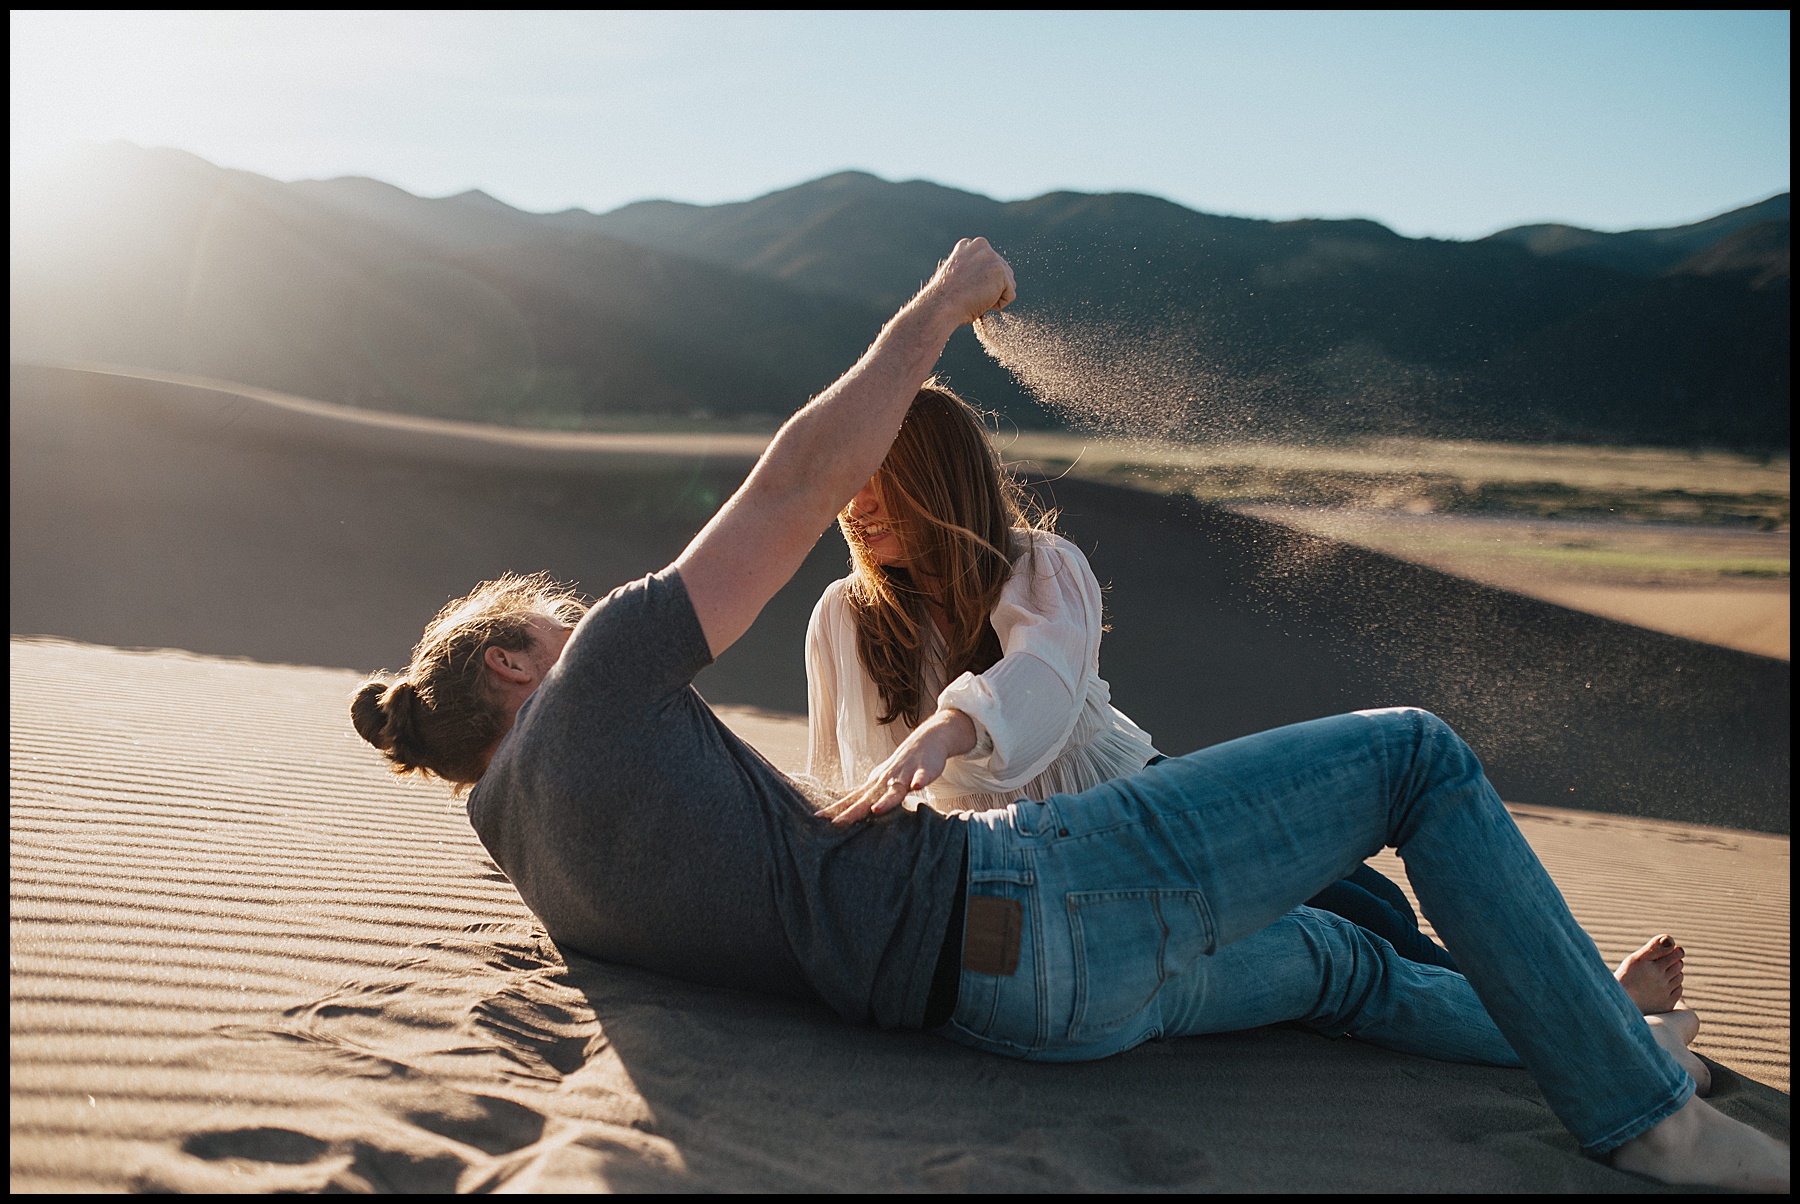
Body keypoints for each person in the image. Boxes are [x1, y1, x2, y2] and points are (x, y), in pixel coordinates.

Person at [350, 238, 1785, 1191]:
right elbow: (790, 485)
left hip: (1026, 1013)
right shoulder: (602, 677)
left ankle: (1619, 1030)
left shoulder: (528, 855)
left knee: (1349, 973)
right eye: (557, 622)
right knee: (1414, 753)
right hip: (1039, 901)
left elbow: (794, 854)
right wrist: (934, 310)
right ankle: (1642, 1118)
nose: (588, 618)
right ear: (522, 671)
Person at [804, 381, 1692, 1008]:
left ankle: (1579, 997)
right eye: (851, 476)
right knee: (1335, 950)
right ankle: (1594, 1004)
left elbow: (1033, 699)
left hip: (1147, 805)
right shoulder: (845, 616)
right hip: (1035, 877)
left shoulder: (1042, 568)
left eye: (884, 473)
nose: (859, 500)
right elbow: (841, 775)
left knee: (1365, 904)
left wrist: (947, 731)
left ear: (942, 477)